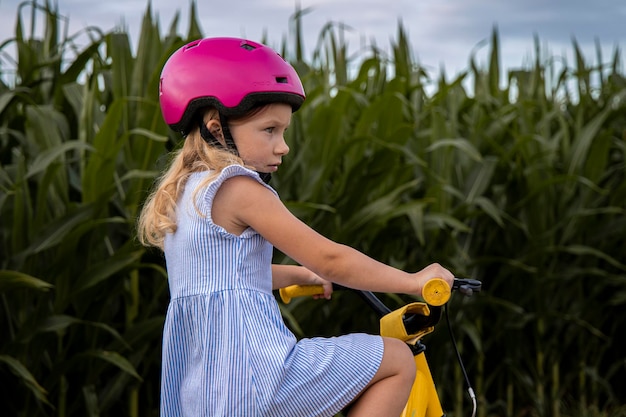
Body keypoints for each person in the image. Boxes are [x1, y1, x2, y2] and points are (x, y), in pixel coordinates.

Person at [137, 37, 455, 417]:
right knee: (396, 359)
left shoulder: (186, 193)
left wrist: (297, 274)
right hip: (254, 374)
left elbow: (221, 276)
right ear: (216, 128)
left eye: (283, 131)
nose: (282, 145)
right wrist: (414, 281)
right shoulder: (239, 187)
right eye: (269, 130)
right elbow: (330, 258)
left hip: (203, 390)